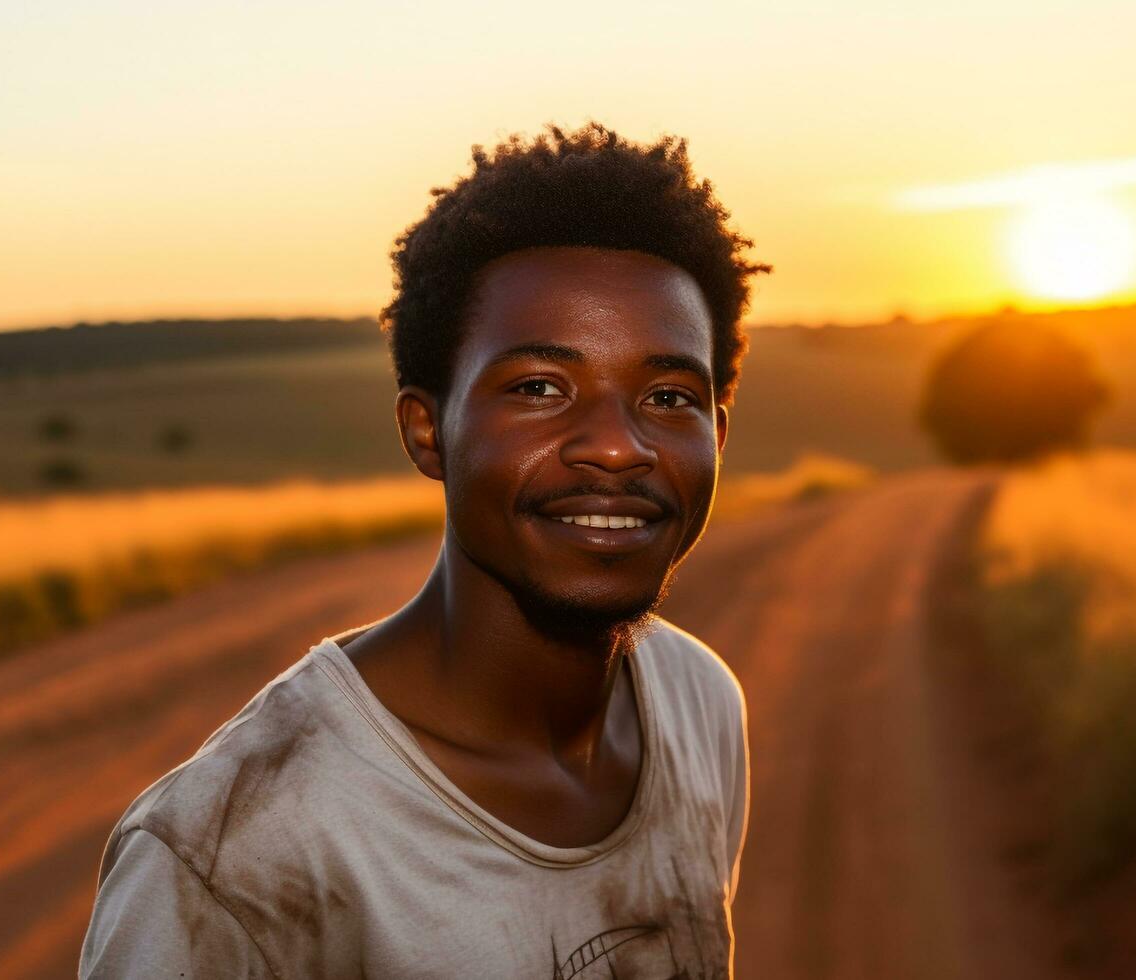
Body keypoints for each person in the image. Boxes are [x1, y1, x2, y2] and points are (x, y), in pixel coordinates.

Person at [79, 121, 768, 978]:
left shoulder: (698, 704)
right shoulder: (232, 854)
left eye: (668, 395)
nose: (618, 446)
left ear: (719, 436)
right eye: (539, 387)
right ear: (426, 431)